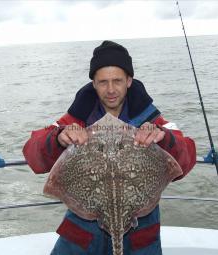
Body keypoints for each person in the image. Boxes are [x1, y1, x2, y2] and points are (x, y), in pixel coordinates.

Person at [23, 40, 196, 255]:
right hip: (83, 228)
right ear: (93, 83)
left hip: (141, 229)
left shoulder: (151, 119)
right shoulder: (75, 119)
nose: (111, 89)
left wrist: (165, 139)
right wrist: (58, 138)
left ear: (129, 81)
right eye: (103, 82)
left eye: (117, 81)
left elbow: (187, 156)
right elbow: (32, 153)